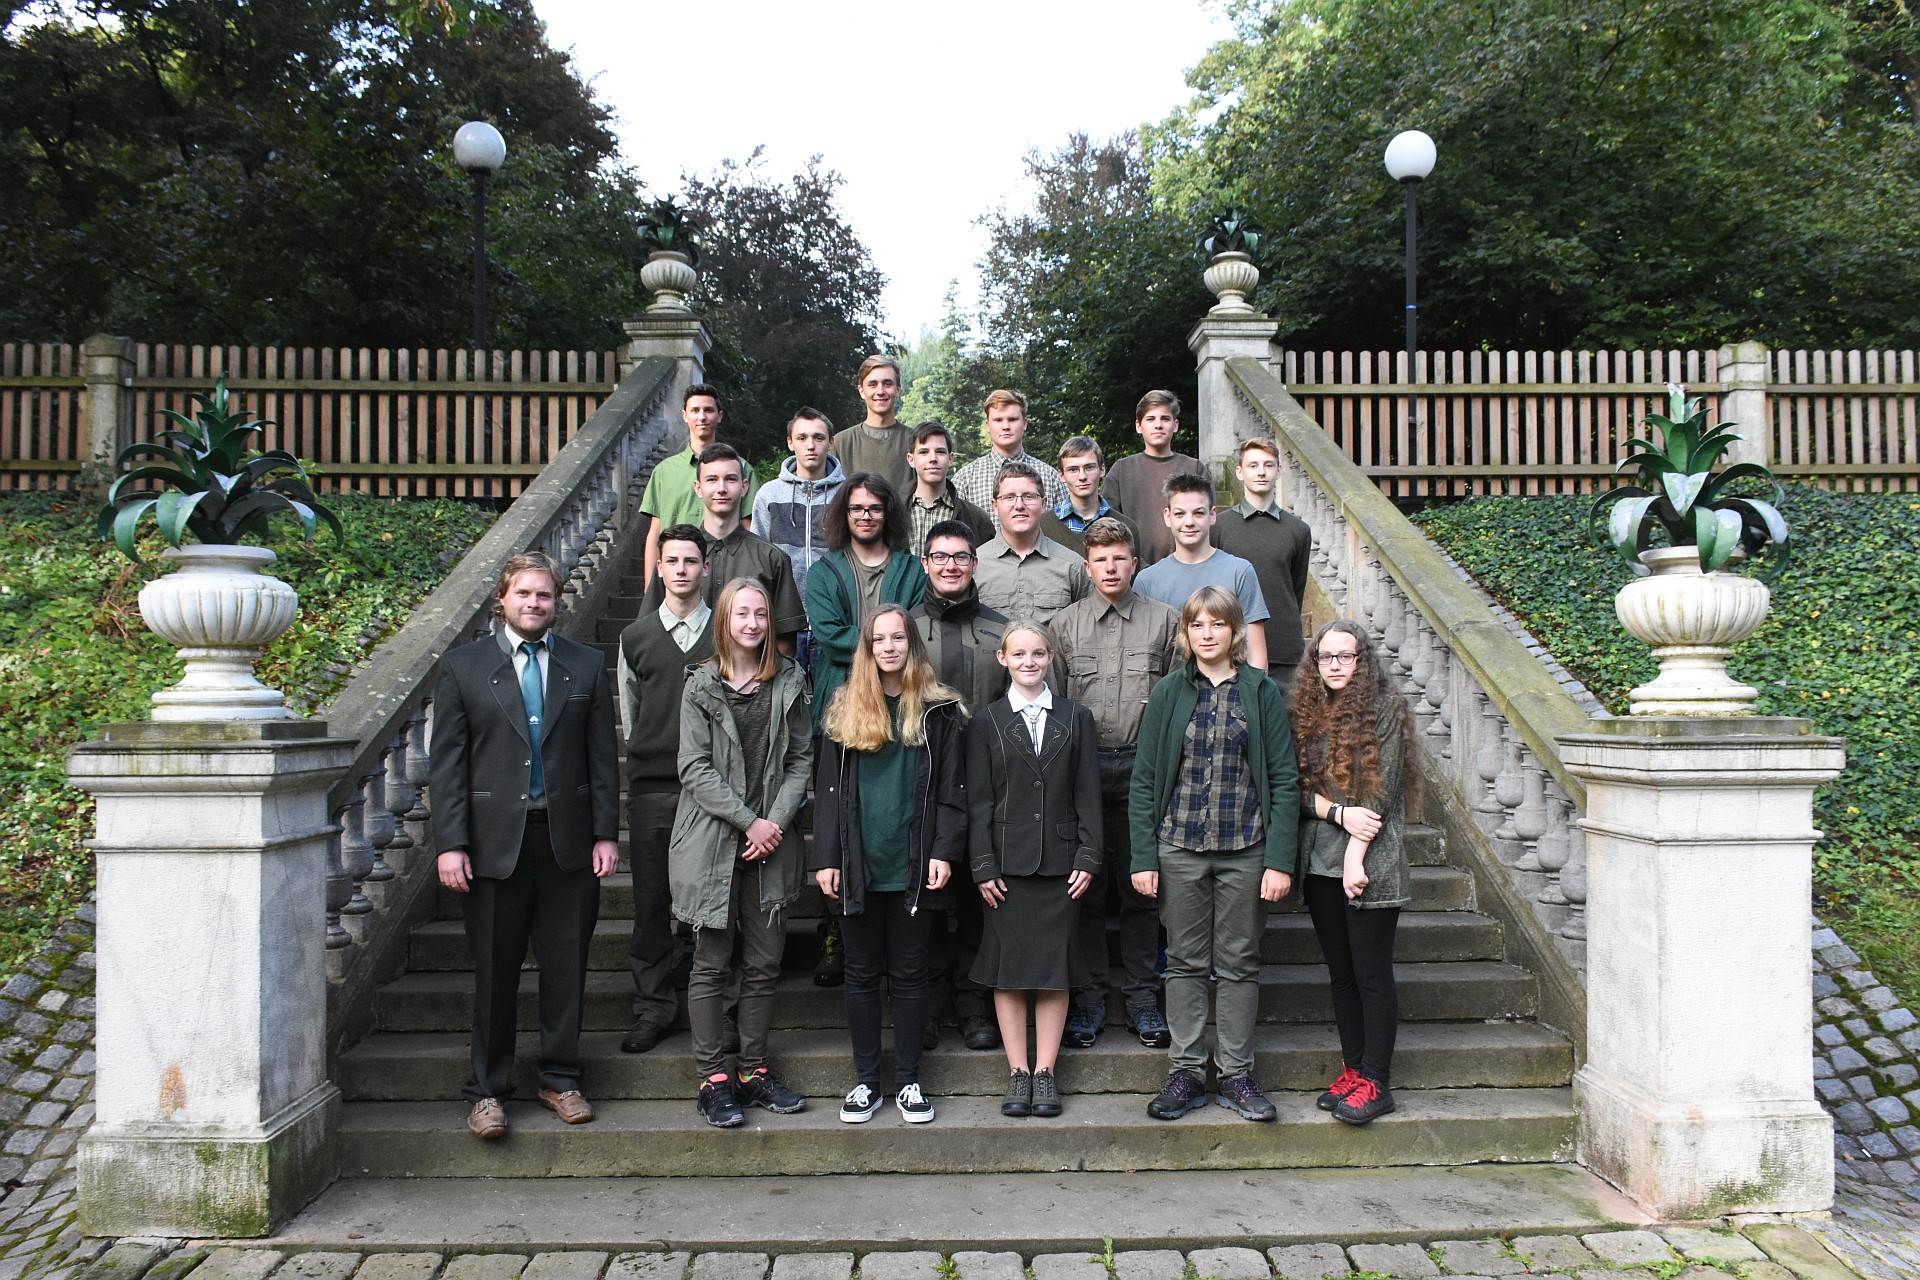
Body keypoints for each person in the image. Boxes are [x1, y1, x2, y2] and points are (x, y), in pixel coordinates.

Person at [430, 552, 621, 1139]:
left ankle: (560, 1078)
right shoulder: (463, 668)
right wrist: (451, 843)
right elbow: (448, 765)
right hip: (493, 847)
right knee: (494, 973)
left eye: (544, 595)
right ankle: (487, 1091)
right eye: (524, 594)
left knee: (566, 967)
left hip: (568, 842)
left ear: (556, 601)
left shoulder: (585, 665)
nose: (534, 603)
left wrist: (606, 833)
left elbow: (602, 758)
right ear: (502, 599)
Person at [1130, 586, 1300, 1124]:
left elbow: (1284, 779)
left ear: (1235, 631)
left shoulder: (1261, 691)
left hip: (1245, 849)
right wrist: (1143, 856)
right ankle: (1185, 1071)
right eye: (1197, 625)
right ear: (1186, 633)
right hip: (1179, 847)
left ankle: (1235, 1074)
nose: (1207, 634)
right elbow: (1144, 779)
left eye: (1218, 624)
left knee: (1238, 962)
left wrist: (1279, 860)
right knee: (1183, 962)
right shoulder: (1168, 692)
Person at [812, 605, 968, 1125]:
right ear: (868, 648)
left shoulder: (938, 711)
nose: (889, 647)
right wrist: (826, 857)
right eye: (879, 640)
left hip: (914, 864)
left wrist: (944, 850)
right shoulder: (845, 707)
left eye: (897, 638)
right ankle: (865, 1081)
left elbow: (951, 791)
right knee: (860, 973)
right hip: (858, 861)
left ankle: (908, 1081)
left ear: (911, 644)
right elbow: (827, 792)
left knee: (910, 974)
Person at [670, 578, 815, 1128]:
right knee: (710, 964)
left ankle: (754, 1071)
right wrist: (748, 820)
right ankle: (712, 1079)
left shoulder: (790, 680)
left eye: (761, 614)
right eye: (742, 614)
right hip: (712, 841)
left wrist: (772, 823)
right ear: (725, 620)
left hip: (771, 843)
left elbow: (801, 761)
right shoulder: (700, 685)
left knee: (763, 963)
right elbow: (693, 766)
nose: (753, 623)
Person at [1050, 518, 1180, 1052]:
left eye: (1119, 558)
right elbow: (1053, 703)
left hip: (1143, 769)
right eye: (1100, 559)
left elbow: (1178, 698)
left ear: (1135, 563)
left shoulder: (1165, 621)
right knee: (1086, 888)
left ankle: (1144, 998)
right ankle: (1088, 1000)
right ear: (1087, 567)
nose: (1110, 568)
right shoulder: (1063, 625)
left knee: (1140, 889)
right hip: (1082, 770)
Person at [967, 620, 1102, 1120]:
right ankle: (1017, 1071)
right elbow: (979, 801)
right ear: (1003, 658)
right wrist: (982, 865)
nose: (1029, 662)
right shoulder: (986, 721)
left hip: (1062, 865)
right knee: (1009, 972)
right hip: (1007, 867)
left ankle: (1046, 1072)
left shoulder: (1076, 717)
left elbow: (1088, 793)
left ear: (1050, 658)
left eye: (1039, 653)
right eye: (1019, 653)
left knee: (1052, 972)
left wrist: (1088, 855)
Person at [1291, 619, 1413, 1126]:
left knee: (1371, 976)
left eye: (1346, 656)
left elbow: (1378, 793)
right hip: (1320, 864)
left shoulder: (1384, 710)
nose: (1335, 665)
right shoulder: (1307, 714)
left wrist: (1354, 858)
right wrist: (1335, 814)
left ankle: (1377, 1083)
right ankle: (1354, 1069)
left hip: (1370, 866)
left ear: (1362, 661)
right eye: (1326, 656)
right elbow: (1294, 789)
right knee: (1341, 976)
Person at [911, 519, 1012, 1052]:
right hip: (921, 785)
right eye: (940, 557)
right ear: (925, 563)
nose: (951, 566)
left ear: (975, 564)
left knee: (978, 899)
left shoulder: (1001, 631)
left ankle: (974, 1004)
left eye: (961, 557)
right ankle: (926, 1005)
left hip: (986, 785)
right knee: (927, 900)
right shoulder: (904, 629)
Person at [615, 524, 712, 1055]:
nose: (681, 569)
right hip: (654, 787)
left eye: (690, 560)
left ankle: (709, 1007)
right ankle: (653, 1006)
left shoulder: (726, 632)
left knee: (710, 903)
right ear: (658, 568)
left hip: (714, 791)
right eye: (671, 560)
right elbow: (631, 714)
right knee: (652, 904)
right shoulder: (636, 638)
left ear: (705, 568)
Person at [640, 444, 807, 655]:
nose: (721, 488)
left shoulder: (772, 559)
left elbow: (785, 644)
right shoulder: (675, 558)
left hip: (752, 675)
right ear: (698, 488)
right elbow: (646, 630)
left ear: (744, 487)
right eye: (712, 479)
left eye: (730, 479)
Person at [805, 472, 929, 738]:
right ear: (844, 513)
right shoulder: (821, 574)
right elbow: (831, 638)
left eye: (875, 508)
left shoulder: (913, 571)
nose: (866, 516)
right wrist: (889, 644)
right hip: (840, 693)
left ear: (888, 513)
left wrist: (880, 645)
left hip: (902, 694)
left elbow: (916, 633)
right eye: (857, 508)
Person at [1134, 472, 1271, 670]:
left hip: (1231, 687)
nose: (1189, 522)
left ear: (1212, 515)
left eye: (1198, 513)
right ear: (1167, 516)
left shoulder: (1240, 572)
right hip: (1170, 686)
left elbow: (1256, 656)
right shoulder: (1147, 581)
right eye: (1180, 514)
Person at [1213, 436, 1313, 695]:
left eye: (1268, 465)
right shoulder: (1219, 527)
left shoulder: (1298, 530)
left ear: (1279, 471)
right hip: (1232, 648)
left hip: (1284, 650)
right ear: (1239, 472)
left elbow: (1295, 589)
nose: (1261, 472)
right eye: (1253, 465)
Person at [753, 407, 847, 672]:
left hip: (833, 621)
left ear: (831, 442)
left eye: (818, 437)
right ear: (790, 442)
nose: (810, 445)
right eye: (802, 438)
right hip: (783, 624)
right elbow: (758, 560)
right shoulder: (769, 495)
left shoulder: (847, 494)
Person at [640, 384, 752, 587]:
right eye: (695, 410)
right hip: (677, 575)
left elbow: (749, 527)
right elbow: (655, 532)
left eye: (708, 410)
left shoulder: (741, 468)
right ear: (684, 415)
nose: (702, 417)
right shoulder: (664, 472)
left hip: (726, 574)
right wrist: (650, 589)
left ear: (719, 416)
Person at [973, 462, 1091, 625]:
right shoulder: (974, 566)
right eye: (1009, 497)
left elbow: (1088, 626)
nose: (1019, 505)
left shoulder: (1072, 566)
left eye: (1028, 496)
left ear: (1043, 504)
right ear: (995, 506)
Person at [1101, 391, 1205, 566]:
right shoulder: (1121, 470)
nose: (1158, 425)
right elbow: (1109, 526)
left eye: (1165, 419)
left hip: (1189, 566)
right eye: (1150, 419)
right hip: (1134, 570)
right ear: (1138, 426)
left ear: (1175, 425)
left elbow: (1206, 522)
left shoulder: (1194, 468)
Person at [952, 390, 1069, 525]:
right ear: (988, 425)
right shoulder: (965, 480)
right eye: (998, 420)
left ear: (1024, 423)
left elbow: (1065, 530)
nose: (1005, 427)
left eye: (1012, 419)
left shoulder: (1051, 478)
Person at [830, 355, 914, 495]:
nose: (880, 391)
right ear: (861, 390)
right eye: (872, 384)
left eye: (887, 384)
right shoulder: (840, 444)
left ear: (898, 389)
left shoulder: (915, 442)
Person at [906, 422, 995, 554]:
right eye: (924, 452)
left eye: (940, 452)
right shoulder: (894, 514)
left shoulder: (975, 518)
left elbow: (989, 562)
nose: (933, 458)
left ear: (950, 458)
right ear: (911, 460)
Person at [1051, 435, 1139, 557]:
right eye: (1073, 470)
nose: (1082, 476)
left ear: (1102, 469)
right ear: (1061, 475)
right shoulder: (1043, 527)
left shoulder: (1127, 527)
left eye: (1089, 467)